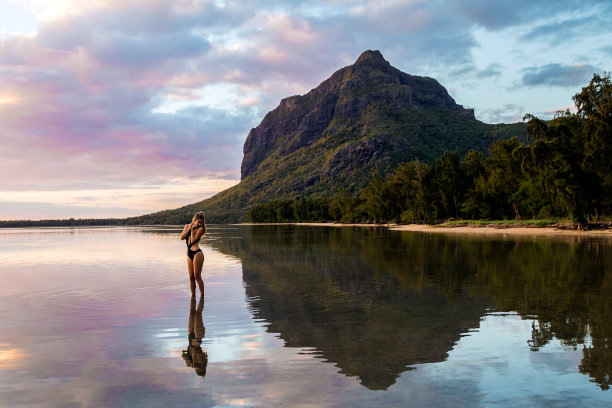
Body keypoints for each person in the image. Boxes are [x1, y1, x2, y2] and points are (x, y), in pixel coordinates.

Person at [180, 211, 206, 296]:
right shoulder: (187, 226)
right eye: (198, 222)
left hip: (197, 253)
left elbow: (192, 241)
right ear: (194, 220)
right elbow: (181, 237)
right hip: (189, 253)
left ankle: (202, 296)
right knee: (191, 277)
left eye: (201, 223)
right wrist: (189, 228)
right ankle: (193, 296)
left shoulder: (200, 229)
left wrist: (192, 229)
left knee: (197, 276)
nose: (200, 224)